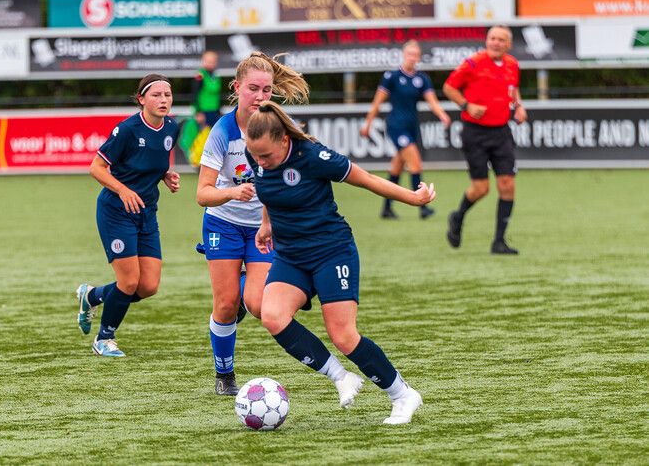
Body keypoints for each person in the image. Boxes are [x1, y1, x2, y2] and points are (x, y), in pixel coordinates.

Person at [245, 100, 435, 425]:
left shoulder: (314, 157)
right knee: (272, 316)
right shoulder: (258, 154)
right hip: (291, 254)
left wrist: (413, 197)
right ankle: (340, 377)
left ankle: (402, 394)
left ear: (284, 141)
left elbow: (367, 179)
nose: (261, 161)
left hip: (331, 250)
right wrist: (267, 223)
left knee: (344, 336)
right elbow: (269, 191)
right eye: (256, 156)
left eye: (266, 156)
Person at [196, 52, 310, 395]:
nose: (261, 97)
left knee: (259, 306)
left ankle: (245, 282)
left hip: (263, 228)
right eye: (253, 89)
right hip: (223, 224)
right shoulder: (222, 131)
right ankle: (224, 375)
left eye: (267, 90)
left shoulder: (280, 127)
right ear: (237, 88)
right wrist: (232, 192)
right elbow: (202, 194)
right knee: (226, 305)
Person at [75, 74, 181, 357]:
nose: (163, 100)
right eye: (156, 95)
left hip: (147, 212)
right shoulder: (127, 130)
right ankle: (104, 338)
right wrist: (123, 191)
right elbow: (96, 168)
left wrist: (165, 176)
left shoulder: (171, 127)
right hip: (116, 212)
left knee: (148, 286)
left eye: (167, 95)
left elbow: (152, 162)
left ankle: (92, 295)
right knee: (129, 282)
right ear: (142, 99)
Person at [442, 25, 527, 255]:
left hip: (501, 132)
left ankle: (499, 242)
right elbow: (449, 87)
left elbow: (513, 89)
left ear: (508, 44)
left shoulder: (512, 65)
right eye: (492, 38)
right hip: (475, 133)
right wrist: (466, 105)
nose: (496, 42)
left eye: (501, 39)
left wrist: (518, 107)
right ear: (487, 40)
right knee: (481, 188)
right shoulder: (472, 63)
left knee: (507, 185)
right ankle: (457, 218)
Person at [360, 40, 451, 220]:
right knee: (415, 163)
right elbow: (378, 102)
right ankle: (422, 207)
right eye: (409, 54)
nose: (412, 58)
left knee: (397, 167)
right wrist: (368, 124)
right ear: (403, 55)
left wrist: (442, 115)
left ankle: (386, 209)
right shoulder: (392, 76)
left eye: (415, 55)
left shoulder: (422, 79)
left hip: (411, 127)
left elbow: (432, 101)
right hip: (396, 126)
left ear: (418, 57)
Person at [179, 51, 222, 167]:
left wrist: (219, 111)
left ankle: (216, 164)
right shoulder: (200, 76)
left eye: (212, 61)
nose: (210, 64)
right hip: (203, 113)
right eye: (208, 61)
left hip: (214, 113)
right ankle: (199, 164)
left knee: (216, 139)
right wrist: (198, 112)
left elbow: (217, 96)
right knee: (202, 140)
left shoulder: (215, 76)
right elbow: (194, 95)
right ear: (203, 62)